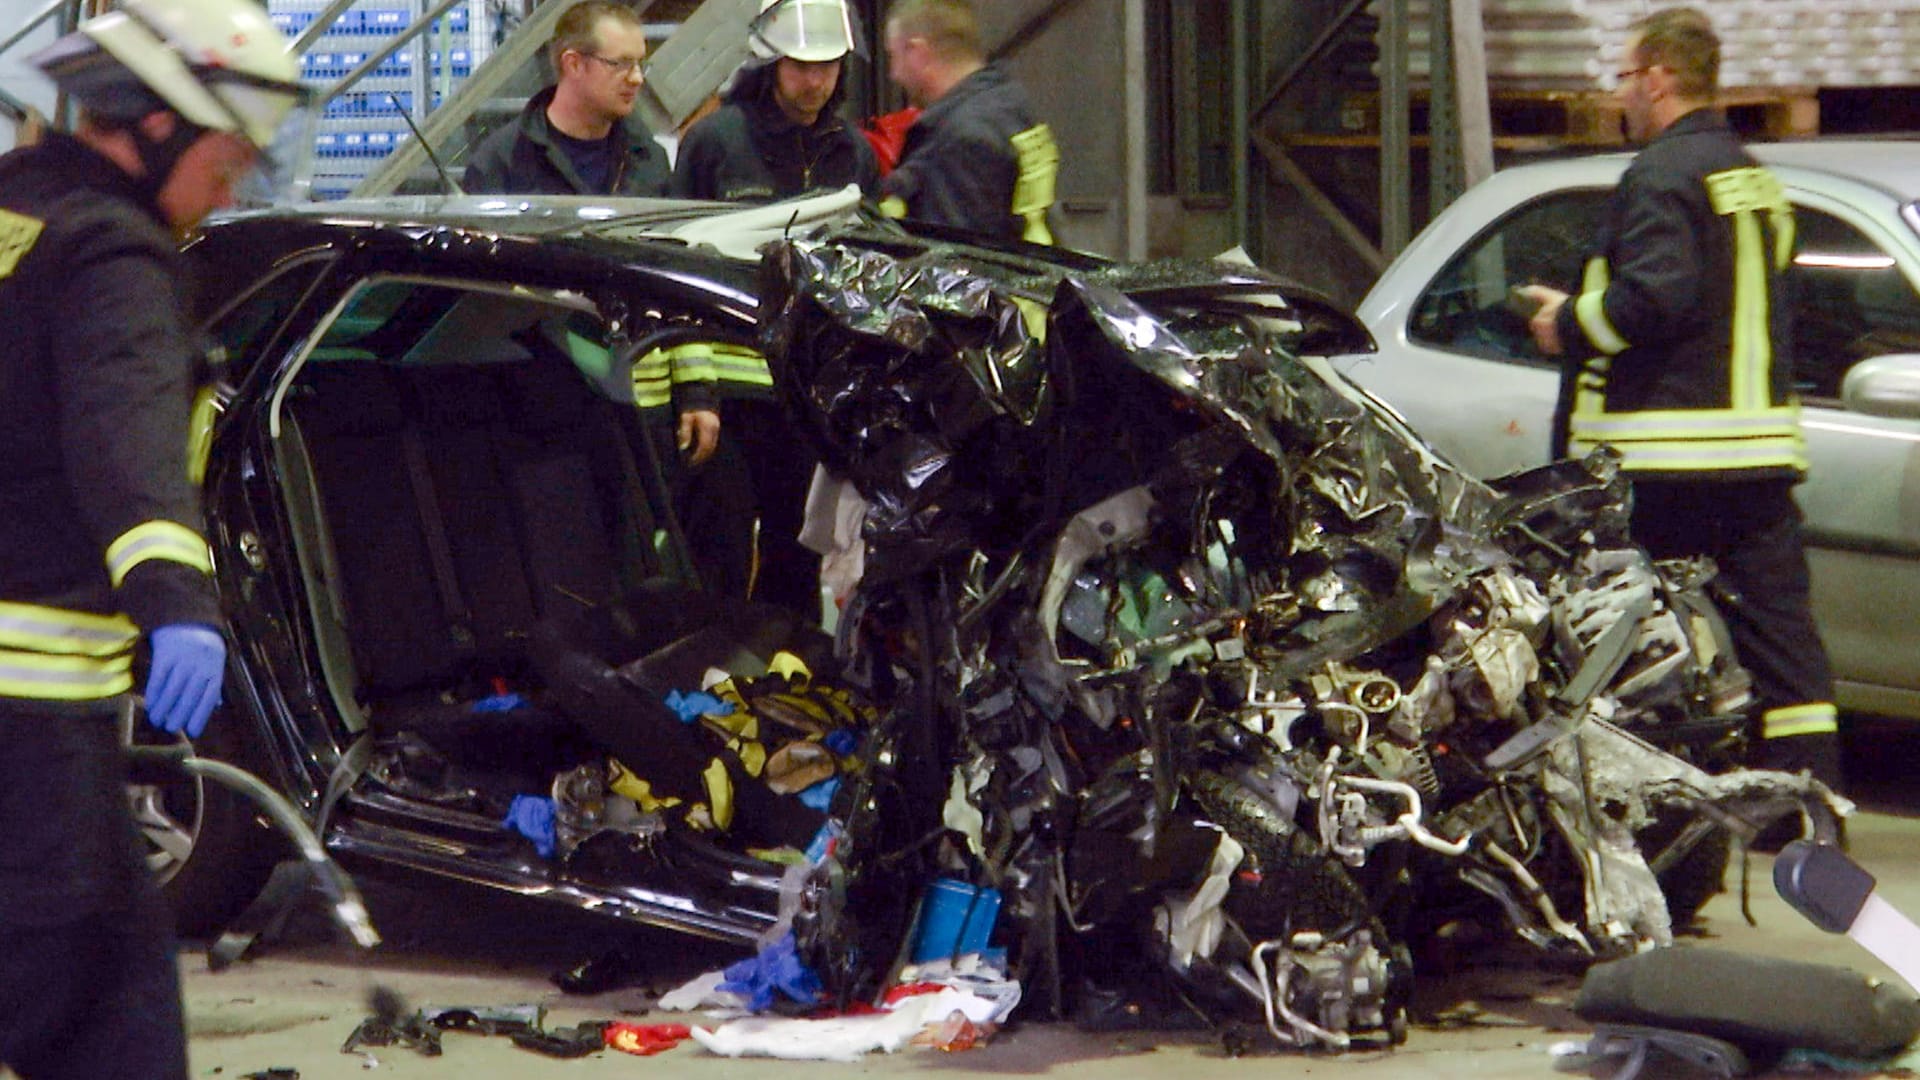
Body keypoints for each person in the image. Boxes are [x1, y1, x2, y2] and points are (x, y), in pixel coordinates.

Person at [0, 0, 308, 1075]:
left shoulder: (13, 218)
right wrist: (180, 607)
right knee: (95, 1018)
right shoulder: (113, 261)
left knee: (116, 989)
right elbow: (123, 453)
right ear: (158, 125)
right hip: (30, 726)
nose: (236, 184)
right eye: (231, 154)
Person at [1522, 7, 1841, 792]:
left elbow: (1658, 297)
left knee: (1627, 644)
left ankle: (1650, 805)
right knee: (1780, 640)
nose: (1624, 95)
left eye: (1628, 77)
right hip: (1759, 461)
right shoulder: (1752, 176)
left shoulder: (1661, 174)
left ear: (1660, 77)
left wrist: (1567, 322)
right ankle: (1807, 807)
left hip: (1667, 463)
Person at [879, 0, 1059, 244]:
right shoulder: (1012, 107)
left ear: (917, 52)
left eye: (894, 56)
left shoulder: (958, 142)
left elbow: (958, 271)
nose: (893, 74)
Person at [671, 0, 878, 202]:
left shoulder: (854, 152)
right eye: (800, 65)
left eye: (827, 64)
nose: (814, 82)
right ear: (771, 64)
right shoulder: (714, 142)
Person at [463, 0, 672, 199]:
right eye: (621, 64)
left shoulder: (649, 160)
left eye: (639, 64)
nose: (637, 78)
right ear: (574, 65)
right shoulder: (501, 162)